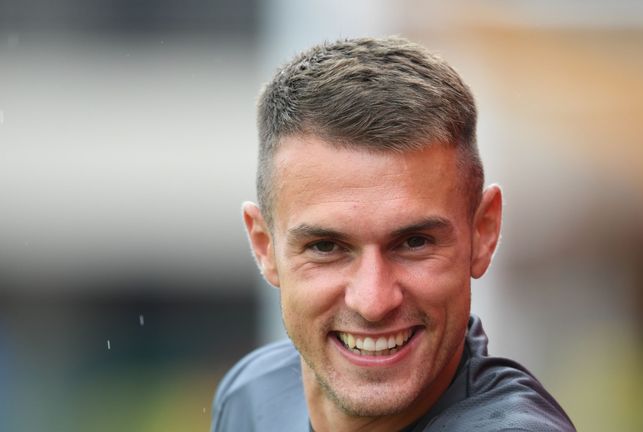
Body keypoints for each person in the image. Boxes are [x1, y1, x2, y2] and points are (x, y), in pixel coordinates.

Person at [211, 36, 576, 432]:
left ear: (483, 233)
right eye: (326, 247)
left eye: (414, 243)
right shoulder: (251, 396)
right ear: (264, 246)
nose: (373, 302)